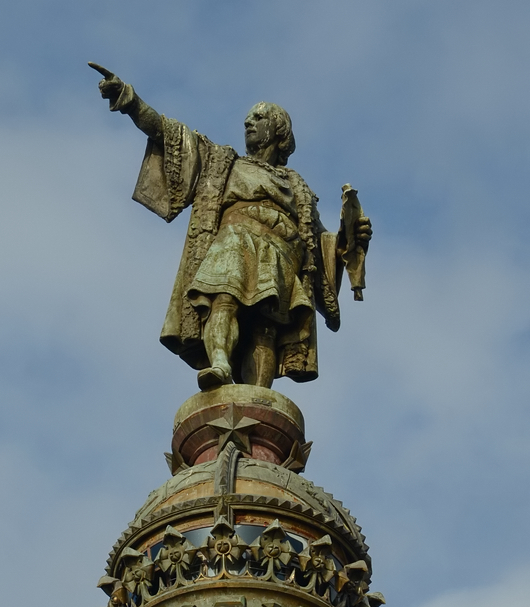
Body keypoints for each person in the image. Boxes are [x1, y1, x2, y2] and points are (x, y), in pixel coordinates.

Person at [90, 64, 372, 391]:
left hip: (282, 253)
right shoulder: (222, 162)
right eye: (248, 119)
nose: (248, 122)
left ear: (279, 130)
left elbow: (319, 245)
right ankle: (220, 363)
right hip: (236, 238)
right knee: (223, 298)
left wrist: (347, 239)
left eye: (259, 118)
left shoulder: (299, 189)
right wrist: (130, 101)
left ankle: (258, 394)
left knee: (265, 328)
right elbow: (171, 136)